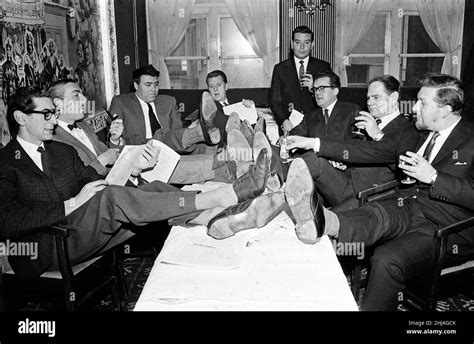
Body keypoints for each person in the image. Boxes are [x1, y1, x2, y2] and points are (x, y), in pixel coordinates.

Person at [0, 87, 270, 279]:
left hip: (81, 231)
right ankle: (222, 196)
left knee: (148, 189)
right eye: (46, 114)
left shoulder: (62, 152)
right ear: (21, 118)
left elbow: (98, 181)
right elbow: (6, 221)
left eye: (53, 112)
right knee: (112, 199)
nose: (53, 119)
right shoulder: (6, 162)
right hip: (44, 249)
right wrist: (70, 204)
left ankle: (216, 218)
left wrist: (131, 169)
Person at [284, 73, 474, 311]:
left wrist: (434, 177)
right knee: (376, 213)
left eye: (422, 103)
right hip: (408, 208)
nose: (414, 107)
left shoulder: (470, 139)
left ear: (445, 110)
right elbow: (363, 150)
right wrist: (313, 144)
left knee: (385, 259)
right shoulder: (416, 133)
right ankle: (326, 222)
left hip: (445, 227)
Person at [290, 74, 418, 208]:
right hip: (346, 181)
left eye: (376, 97)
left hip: (369, 193)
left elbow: (403, 170)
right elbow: (353, 149)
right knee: (311, 159)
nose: (369, 102)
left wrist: (378, 135)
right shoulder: (368, 122)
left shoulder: (407, 128)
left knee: (324, 220)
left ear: (393, 98)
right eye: (368, 98)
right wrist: (342, 162)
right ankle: (276, 178)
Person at [109, 65, 213, 153]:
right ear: (136, 85)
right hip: (140, 151)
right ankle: (201, 131)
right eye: (148, 85)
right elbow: (112, 140)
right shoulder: (121, 103)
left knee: (211, 151)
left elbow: (176, 131)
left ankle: (205, 130)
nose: (153, 90)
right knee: (160, 136)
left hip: (169, 149)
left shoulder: (168, 102)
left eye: (156, 85)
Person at [49, 79, 124, 175]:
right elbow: (75, 180)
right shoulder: (52, 138)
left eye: (82, 95)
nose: (84, 100)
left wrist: (114, 139)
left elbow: (110, 155)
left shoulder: (83, 125)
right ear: (58, 103)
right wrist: (103, 160)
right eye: (76, 95)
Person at [269, 25, 331, 134]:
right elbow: (275, 101)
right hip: (289, 126)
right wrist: (284, 121)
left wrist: (314, 88)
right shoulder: (280, 69)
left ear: (312, 44)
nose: (302, 47)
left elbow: (331, 97)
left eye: (306, 43)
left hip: (317, 126)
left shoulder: (323, 67)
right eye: (297, 42)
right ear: (292, 44)